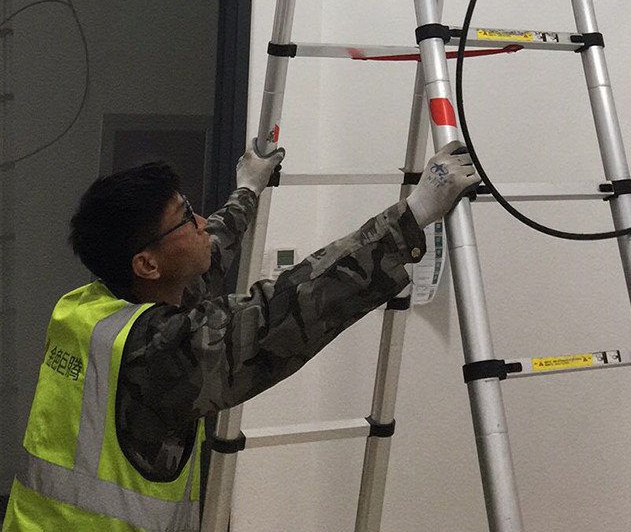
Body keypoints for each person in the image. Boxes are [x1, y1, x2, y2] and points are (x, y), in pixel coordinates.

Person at [3, 138, 477, 531]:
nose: (200, 223)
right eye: (185, 219)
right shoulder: (157, 354)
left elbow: (208, 250)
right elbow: (282, 312)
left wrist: (247, 188)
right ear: (146, 264)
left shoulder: (84, 308)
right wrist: (412, 216)